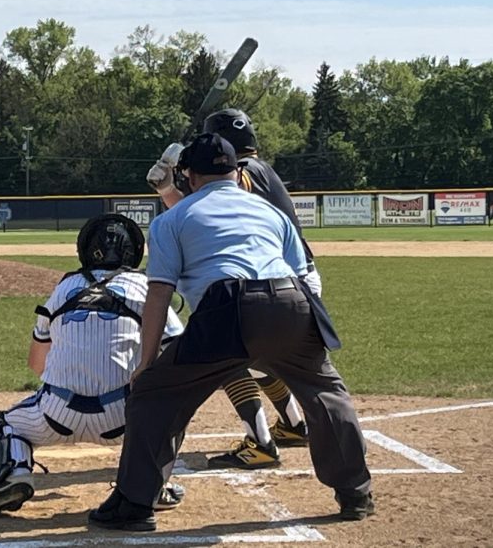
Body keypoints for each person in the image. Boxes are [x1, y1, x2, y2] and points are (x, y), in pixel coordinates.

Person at [89, 133, 372, 532]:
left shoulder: (172, 219)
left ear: (187, 175)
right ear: (236, 172)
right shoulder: (270, 211)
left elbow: (159, 294)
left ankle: (135, 503)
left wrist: (146, 363)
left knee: (154, 395)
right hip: (293, 302)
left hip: (229, 309)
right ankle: (356, 493)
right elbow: (304, 273)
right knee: (326, 392)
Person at [0, 214, 186, 515]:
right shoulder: (146, 287)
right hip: (122, 418)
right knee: (170, 414)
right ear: (134, 251)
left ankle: (14, 473)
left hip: (55, 413)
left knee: (4, 426)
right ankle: (150, 485)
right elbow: (178, 349)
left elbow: (36, 363)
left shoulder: (64, 287)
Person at [147, 108, 315, 469]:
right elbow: (201, 209)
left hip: (276, 277)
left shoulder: (246, 172)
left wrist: (174, 176)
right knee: (258, 357)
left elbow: (210, 205)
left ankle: (259, 442)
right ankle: (295, 424)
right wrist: (170, 187)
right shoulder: (258, 169)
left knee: (231, 354)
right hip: (286, 277)